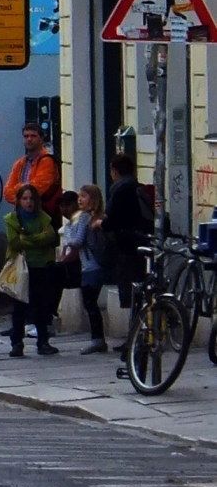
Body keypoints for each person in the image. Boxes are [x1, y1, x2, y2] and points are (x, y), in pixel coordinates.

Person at [99, 153, 151, 357]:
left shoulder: (119, 189)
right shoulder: (136, 185)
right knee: (138, 291)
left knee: (133, 294)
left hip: (127, 246)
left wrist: (100, 223)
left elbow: (112, 220)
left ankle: (135, 337)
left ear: (114, 170)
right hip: (140, 243)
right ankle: (136, 336)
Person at [4, 183, 61, 357]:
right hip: (21, 266)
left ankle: (43, 341)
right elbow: (15, 242)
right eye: (25, 198)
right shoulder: (12, 219)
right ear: (19, 201)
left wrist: (29, 239)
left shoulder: (44, 218)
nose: (28, 202)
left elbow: (52, 237)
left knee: (41, 306)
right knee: (19, 306)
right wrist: (38, 240)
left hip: (40, 265)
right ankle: (17, 342)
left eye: (31, 199)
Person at [60, 185, 108, 354]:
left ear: (93, 199)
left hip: (91, 266)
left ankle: (97, 339)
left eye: (84, 196)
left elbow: (78, 240)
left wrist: (66, 234)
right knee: (90, 302)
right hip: (93, 265)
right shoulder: (92, 217)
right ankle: (97, 339)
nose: (80, 199)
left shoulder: (83, 218)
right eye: (79, 196)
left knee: (90, 302)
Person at [3, 122, 62, 222]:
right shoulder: (20, 163)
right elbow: (7, 192)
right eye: (26, 136)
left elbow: (36, 189)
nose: (29, 139)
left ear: (41, 138)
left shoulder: (47, 161)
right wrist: (23, 193)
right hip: (23, 215)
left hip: (44, 215)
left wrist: (18, 188)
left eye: (33, 136)